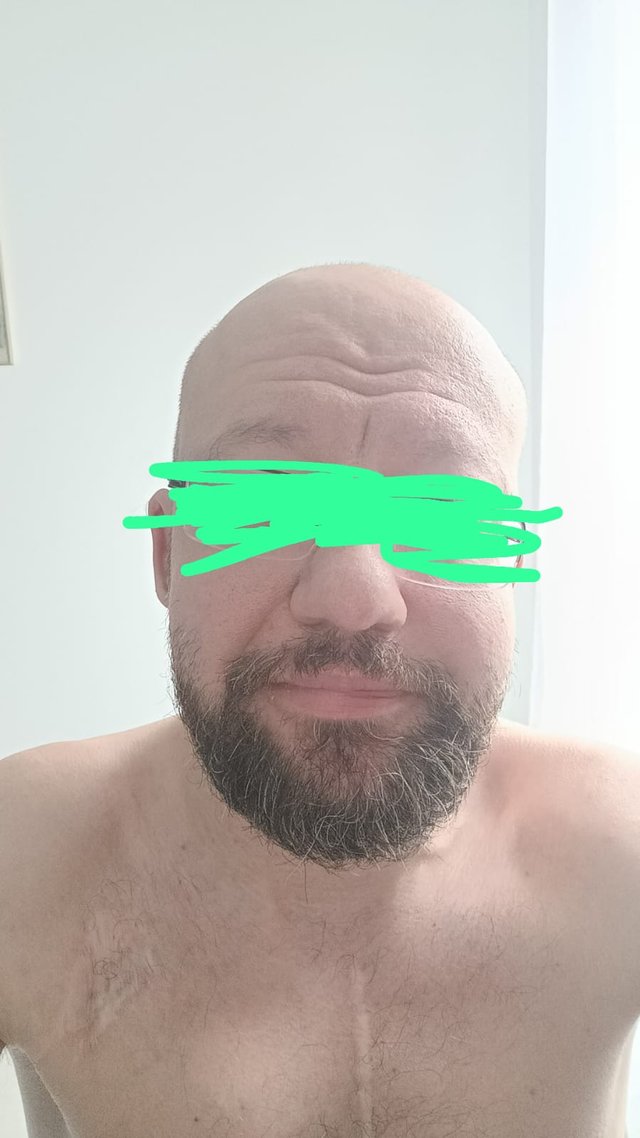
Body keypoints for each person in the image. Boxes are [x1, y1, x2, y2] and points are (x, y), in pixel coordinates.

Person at [1, 262, 638, 1137]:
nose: (353, 596)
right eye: (265, 503)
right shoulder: (25, 855)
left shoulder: (618, 849)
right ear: (167, 556)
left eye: (441, 512)